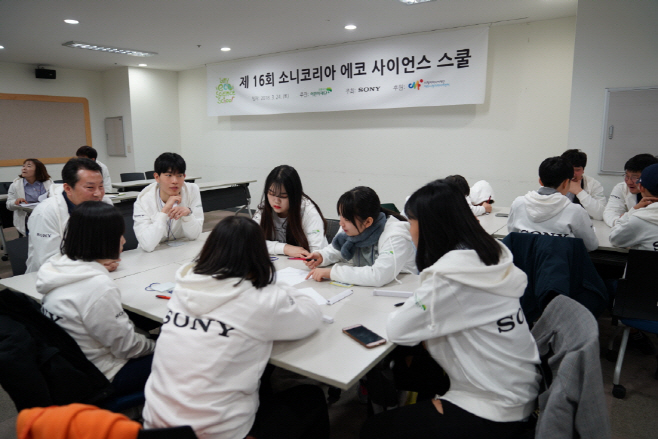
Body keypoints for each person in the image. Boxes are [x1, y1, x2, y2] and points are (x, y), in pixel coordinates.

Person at [360, 180, 540, 439]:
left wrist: (417, 306)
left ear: (430, 227)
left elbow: (397, 330)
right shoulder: (490, 255)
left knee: (374, 429)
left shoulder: (451, 276)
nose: (408, 229)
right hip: (520, 387)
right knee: (416, 362)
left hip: (494, 407)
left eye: (411, 221)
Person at [143, 216, 328, 439]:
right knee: (311, 396)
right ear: (258, 255)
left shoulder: (186, 284)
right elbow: (311, 315)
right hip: (217, 433)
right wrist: (272, 281)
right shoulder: (260, 299)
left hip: (154, 427)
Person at [36, 201, 155, 397]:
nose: (124, 241)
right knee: (182, 355)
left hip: (70, 368)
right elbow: (127, 349)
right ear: (104, 240)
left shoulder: (58, 267)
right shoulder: (97, 286)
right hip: (103, 376)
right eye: (119, 235)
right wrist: (155, 344)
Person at [305, 186, 416, 287]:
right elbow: (339, 249)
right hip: (366, 289)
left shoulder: (395, 235)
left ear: (368, 222)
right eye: (341, 216)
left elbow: (378, 275)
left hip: (401, 288)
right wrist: (322, 256)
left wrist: (332, 273)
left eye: (347, 219)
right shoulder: (351, 226)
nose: (341, 223)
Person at [26, 158, 112, 273]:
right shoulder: (45, 213)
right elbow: (49, 262)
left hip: (97, 272)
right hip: (50, 278)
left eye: (101, 186)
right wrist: (95, 264)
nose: (98, 194)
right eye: (90, 188)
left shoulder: (105, 204)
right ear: (68, 188)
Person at [507, 156, 599, 251]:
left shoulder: (518, 203)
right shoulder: (575, 211)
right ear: (566, 183)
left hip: (523, 259)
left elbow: (513, 236)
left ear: (540, 181)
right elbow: (591, 245)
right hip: (559, 260)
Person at [132, 153, 203, 252]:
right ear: (157, 177)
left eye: (179, 175)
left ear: (184, 176)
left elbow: (194, 235)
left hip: (182, 250)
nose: (175, 181)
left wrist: (188, 215)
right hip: (152, 254)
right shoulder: (144, 200)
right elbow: (147, 245)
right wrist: (164, 211)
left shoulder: (192, 191)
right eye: (168, 175)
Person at [253, 165, 328, 257]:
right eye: (271, 193)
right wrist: (285, 248)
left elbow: (317, 252)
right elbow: (249, 240)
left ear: (295, 195)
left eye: (283, 196)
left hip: (303, 264)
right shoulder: (264, 208)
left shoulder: (309, 212)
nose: (276, 201)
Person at [610, 163, 658, 251]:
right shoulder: (620, 187)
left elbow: (614, 239)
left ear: (641, 187)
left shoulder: (639, 220)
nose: (629, 182)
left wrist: (631, 212)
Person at [604, 153, 658, 227]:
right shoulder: (621, 188)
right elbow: (610, 213)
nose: (629, 182)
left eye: (634, 177)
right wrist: (619, 222)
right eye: (627, 176)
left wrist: (626, 218)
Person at [6, 158, 53, 236]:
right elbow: (8, 205)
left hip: (46, 216)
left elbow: (56, 199)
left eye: (29, 166)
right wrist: (15, 202)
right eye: (23, 166)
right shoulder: (15, 185)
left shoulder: (49, 183)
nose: (24, 168)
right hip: (26, 219)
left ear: (38, 170)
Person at [560, 149, 606, 220]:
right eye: (570, 170)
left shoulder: (593, 184)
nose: (573, 174)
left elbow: (601, 215)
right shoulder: (553, 181)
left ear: (583, 170)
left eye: (577, 170)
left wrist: (579, 192)